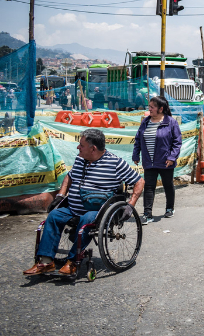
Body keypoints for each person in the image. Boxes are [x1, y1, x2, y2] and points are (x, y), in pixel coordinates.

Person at [23, 129, 144, 276]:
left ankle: (73, 261)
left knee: (87, 219)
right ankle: (46, 261)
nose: (78, 147)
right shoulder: (80, 159)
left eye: (81, 145)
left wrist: (130, 204)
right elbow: (70, 176)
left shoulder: (115, 163)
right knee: (54, 215)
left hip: (97, 210)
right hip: (73, 207)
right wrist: (60, 196)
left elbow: (139, 181)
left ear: (93, 149)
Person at [133, 96, 182, 224]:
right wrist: (136, 155)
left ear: (160, 109)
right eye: (149, 106)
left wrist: (172, 157)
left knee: (167, 184)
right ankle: (147, 214)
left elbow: (177, 142)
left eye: (152, 107)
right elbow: (138, 139)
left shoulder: (171, 122)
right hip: (149, 161)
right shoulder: (145, 122)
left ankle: (170, 208)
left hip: (165, 161)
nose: (149, 109)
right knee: (149, 186)